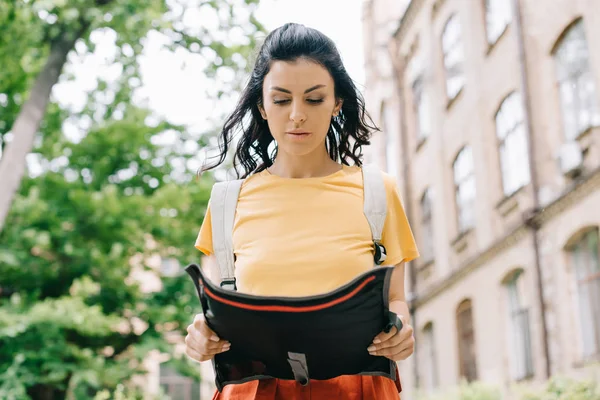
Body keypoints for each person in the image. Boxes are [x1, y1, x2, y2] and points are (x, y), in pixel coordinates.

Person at [184, 22, 419, 399]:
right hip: (254, 390)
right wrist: (200, 335)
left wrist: (401, 333)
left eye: (313, 99)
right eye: (281, 100)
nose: (297, 115)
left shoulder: (378, 191)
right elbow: (214, 311)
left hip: (357, 388)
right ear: (261, 107)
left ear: (337, 102)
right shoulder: (226, 202)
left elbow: (396, 301)